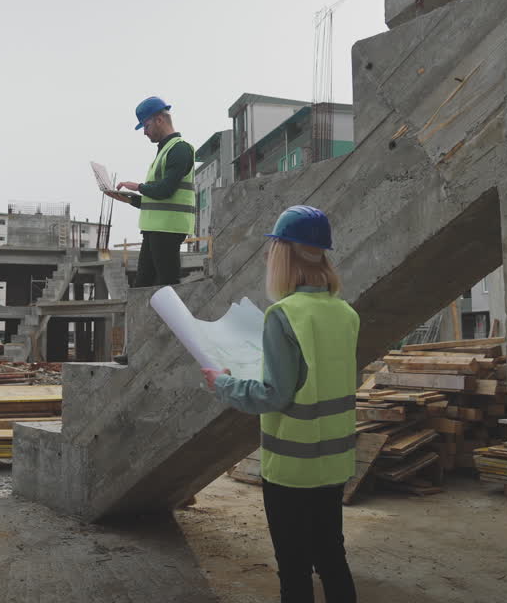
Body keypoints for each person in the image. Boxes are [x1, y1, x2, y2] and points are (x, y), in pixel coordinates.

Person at [202, 205, 360, 603]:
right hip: (335, 461)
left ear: (283, 255)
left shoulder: (283, 315)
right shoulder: (345, 313)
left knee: (293, 568)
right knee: (331, 556)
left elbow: (275, 394)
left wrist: (224, 385)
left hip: (292, 469)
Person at [104, 96, 196, 288]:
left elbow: (165, 190)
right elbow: (156, 200)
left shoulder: (179, 149)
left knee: (167, 284)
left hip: (168, 228)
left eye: (145, 126)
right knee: (144, 284)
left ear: (159, 120)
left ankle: (170, 319)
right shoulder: (164, 151)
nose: (144, 133)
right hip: (157, 228)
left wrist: (137, 186)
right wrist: (127, 199)